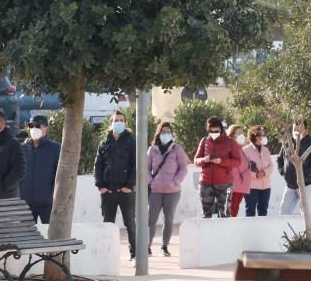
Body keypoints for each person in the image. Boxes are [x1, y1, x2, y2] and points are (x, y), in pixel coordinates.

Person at [94, 111, 137, 259]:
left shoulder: (132, 142)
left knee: (130, 224)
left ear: (125, 123)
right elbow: (98, 166)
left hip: (126, 191)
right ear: (110, 123)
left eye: (121, 120)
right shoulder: (104, 143)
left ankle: (135, 255)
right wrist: (100, 186)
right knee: (108, 225)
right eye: (116, 120)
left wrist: (129, 186)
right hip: (108, 192)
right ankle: (107, 256)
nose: (118, 122)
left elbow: (136, 166)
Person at [146, 121, 188, 257]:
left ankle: (164, 246)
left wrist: (176, 181)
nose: (166, 134)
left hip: (173, 191)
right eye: (163, 131)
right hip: (155, 190)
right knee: (151, 220)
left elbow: (183, 168)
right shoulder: (152, 149)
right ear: (159, 133)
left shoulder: (177, 149)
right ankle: (147, 246)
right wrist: (151, 181)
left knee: (168, 219)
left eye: (168, 132)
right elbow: (146, 168)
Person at [195, 117, 240, 218]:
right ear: (208, 130)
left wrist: (221, 161)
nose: (214, 133)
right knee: (206, 215)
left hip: (225, 184)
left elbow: (237, 162)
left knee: (225, 215)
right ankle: (208, 234)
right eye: (211, 131)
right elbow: (196, 160)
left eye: (217, 131)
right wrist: (204, 160)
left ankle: (224, 234)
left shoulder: (230, 142)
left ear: (221, 129)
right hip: (206, 183)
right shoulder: (204, 141)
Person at [19, 115, 61, 223]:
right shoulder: (21, 148)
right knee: (27, 236)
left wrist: (52, 194)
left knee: (50, 235)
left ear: (45, 128)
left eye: (38, 126)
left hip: (46, 202)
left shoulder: (55, 148)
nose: (34, 129)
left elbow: (59, 175)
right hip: (25, 202)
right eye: (31, 126)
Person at [277, 119, 311, 216]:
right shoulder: (287, 143)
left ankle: (308, 231)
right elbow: (280, 159)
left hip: (306, 185)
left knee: (306, 213)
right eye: (295, 129)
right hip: (290, 185)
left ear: (306, 130)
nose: (297, 131)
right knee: (283, 212)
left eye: (299, 129)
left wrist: (304, 174)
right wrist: (283, 171)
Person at [243, 125, 273, 217]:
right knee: (250, 211)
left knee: (263, 211)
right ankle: (250, 230)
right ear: (253, 136)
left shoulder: (266, 150)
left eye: (262, 135)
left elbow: (271, 166)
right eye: (259, 135)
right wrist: (255, 175)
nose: (261, 137)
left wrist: (264, 173)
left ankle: (263, 231)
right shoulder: (245, 150)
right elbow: (243, 168)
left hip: (266, 187)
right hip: (251, 187)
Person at [227, 124, 252, 217]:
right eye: (240, 133)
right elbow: (233, 167)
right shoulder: (231, 149)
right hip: (235, 186)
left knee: (234, 211)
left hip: (241, 187)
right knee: (231, 211)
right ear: (232, 135)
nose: (243, 135)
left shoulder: (240, 149)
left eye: (243, 133)